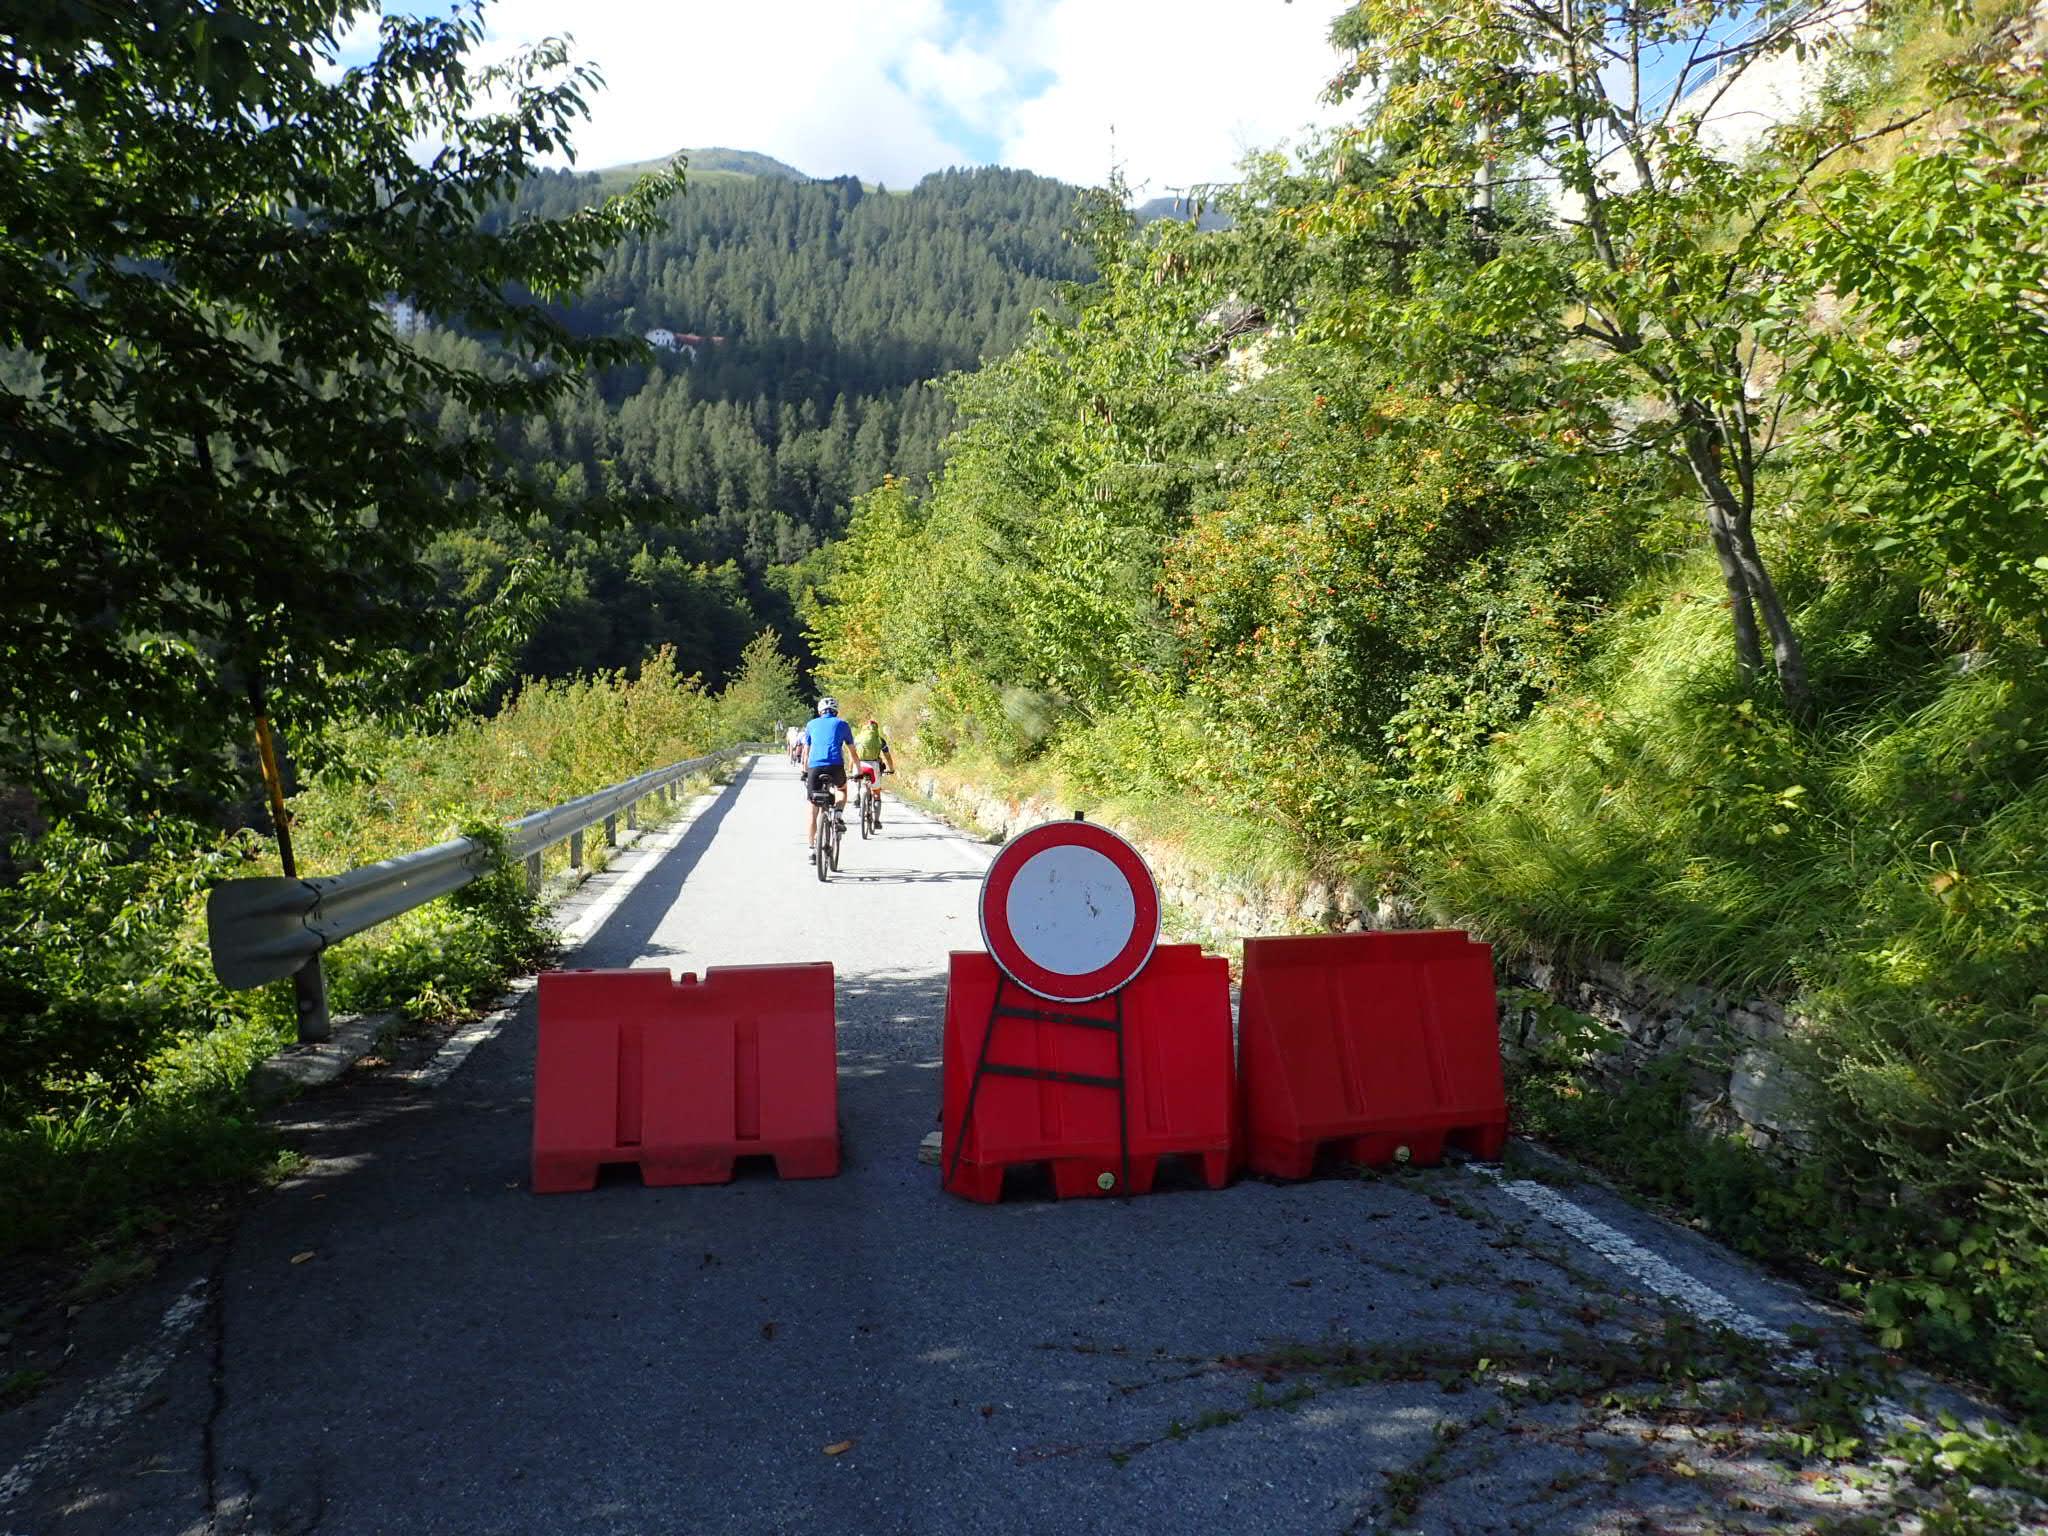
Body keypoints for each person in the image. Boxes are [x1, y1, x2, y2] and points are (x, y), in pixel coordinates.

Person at [798, 696, 860, 855]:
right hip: (835, 765)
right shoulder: (842, 724)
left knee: (812, 808)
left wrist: (804, 771)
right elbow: (852, 752)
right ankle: (838, 814)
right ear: (836, 711)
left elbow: (805, 752)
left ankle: (812, 850)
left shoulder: (811, 724)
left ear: (820, 711)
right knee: (842, 789)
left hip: (815, 767)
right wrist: (858, 770)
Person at [854, 717, 895, 824]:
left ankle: (858, 795)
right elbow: (887, 756)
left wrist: (850, 769)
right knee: (876, 792)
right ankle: (876, 821)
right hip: (873, 765)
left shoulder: (857, 738)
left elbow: (853, 755)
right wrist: (891, 769)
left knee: (858, 780)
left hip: (859, 765)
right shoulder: (880, 740)